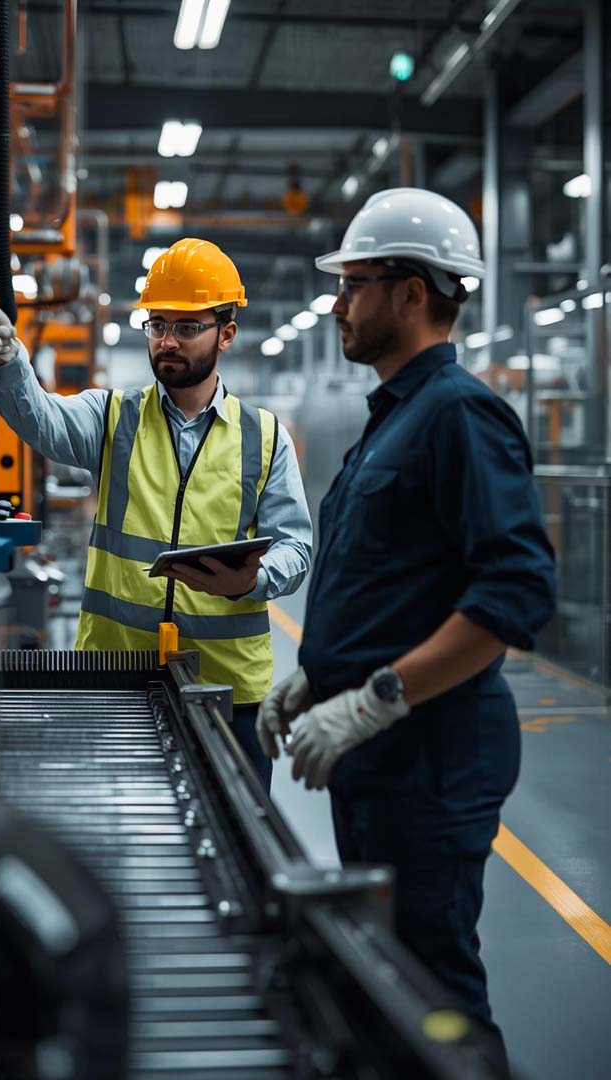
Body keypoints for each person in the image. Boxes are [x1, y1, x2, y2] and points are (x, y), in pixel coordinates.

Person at [256, 188, 556, 1060]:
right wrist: (319, 678)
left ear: (412, 292)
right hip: (380, 756)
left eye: (354, 285)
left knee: (436, 995)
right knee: (394, 985)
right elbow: (388, 586)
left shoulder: (459, 416)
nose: (340, 304)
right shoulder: (395, 419)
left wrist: (377, 695)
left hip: (429, 757)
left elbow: (513, 595)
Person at [0, 237, 312, 791]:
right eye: (157, 325)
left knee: (238, 848)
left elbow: (296, 547)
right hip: (116, 677)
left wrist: (256, 578)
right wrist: (8, 362)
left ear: (226, 332)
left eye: (186, 326)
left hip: (226, 691)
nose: (167, 340)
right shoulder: (113, 416)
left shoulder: (264, 437)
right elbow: (43, 420)